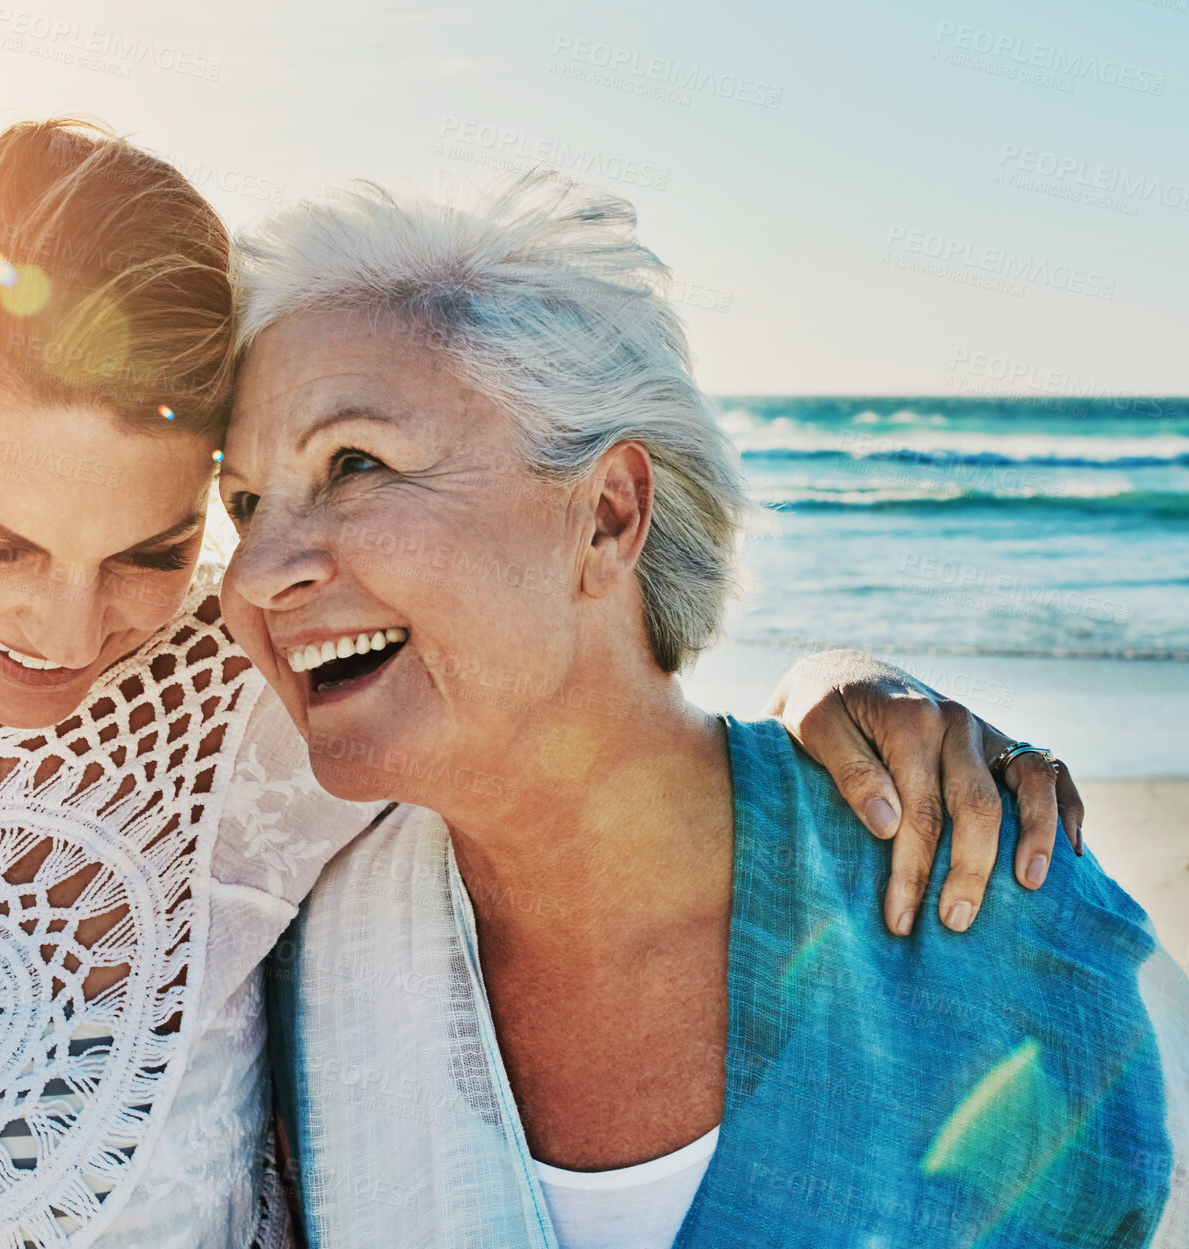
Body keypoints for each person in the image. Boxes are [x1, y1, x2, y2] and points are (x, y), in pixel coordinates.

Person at [0, 121, 1087, 1249]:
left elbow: (564, 692)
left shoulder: (250, 713)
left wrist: (842, 690)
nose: (69, 625)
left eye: (154, 544)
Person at [220, 170, 1189, 1247]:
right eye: (244, 503)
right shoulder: (283, 949)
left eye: (356, 463)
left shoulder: (980, 897)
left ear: (608, 514)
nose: (258, 570)